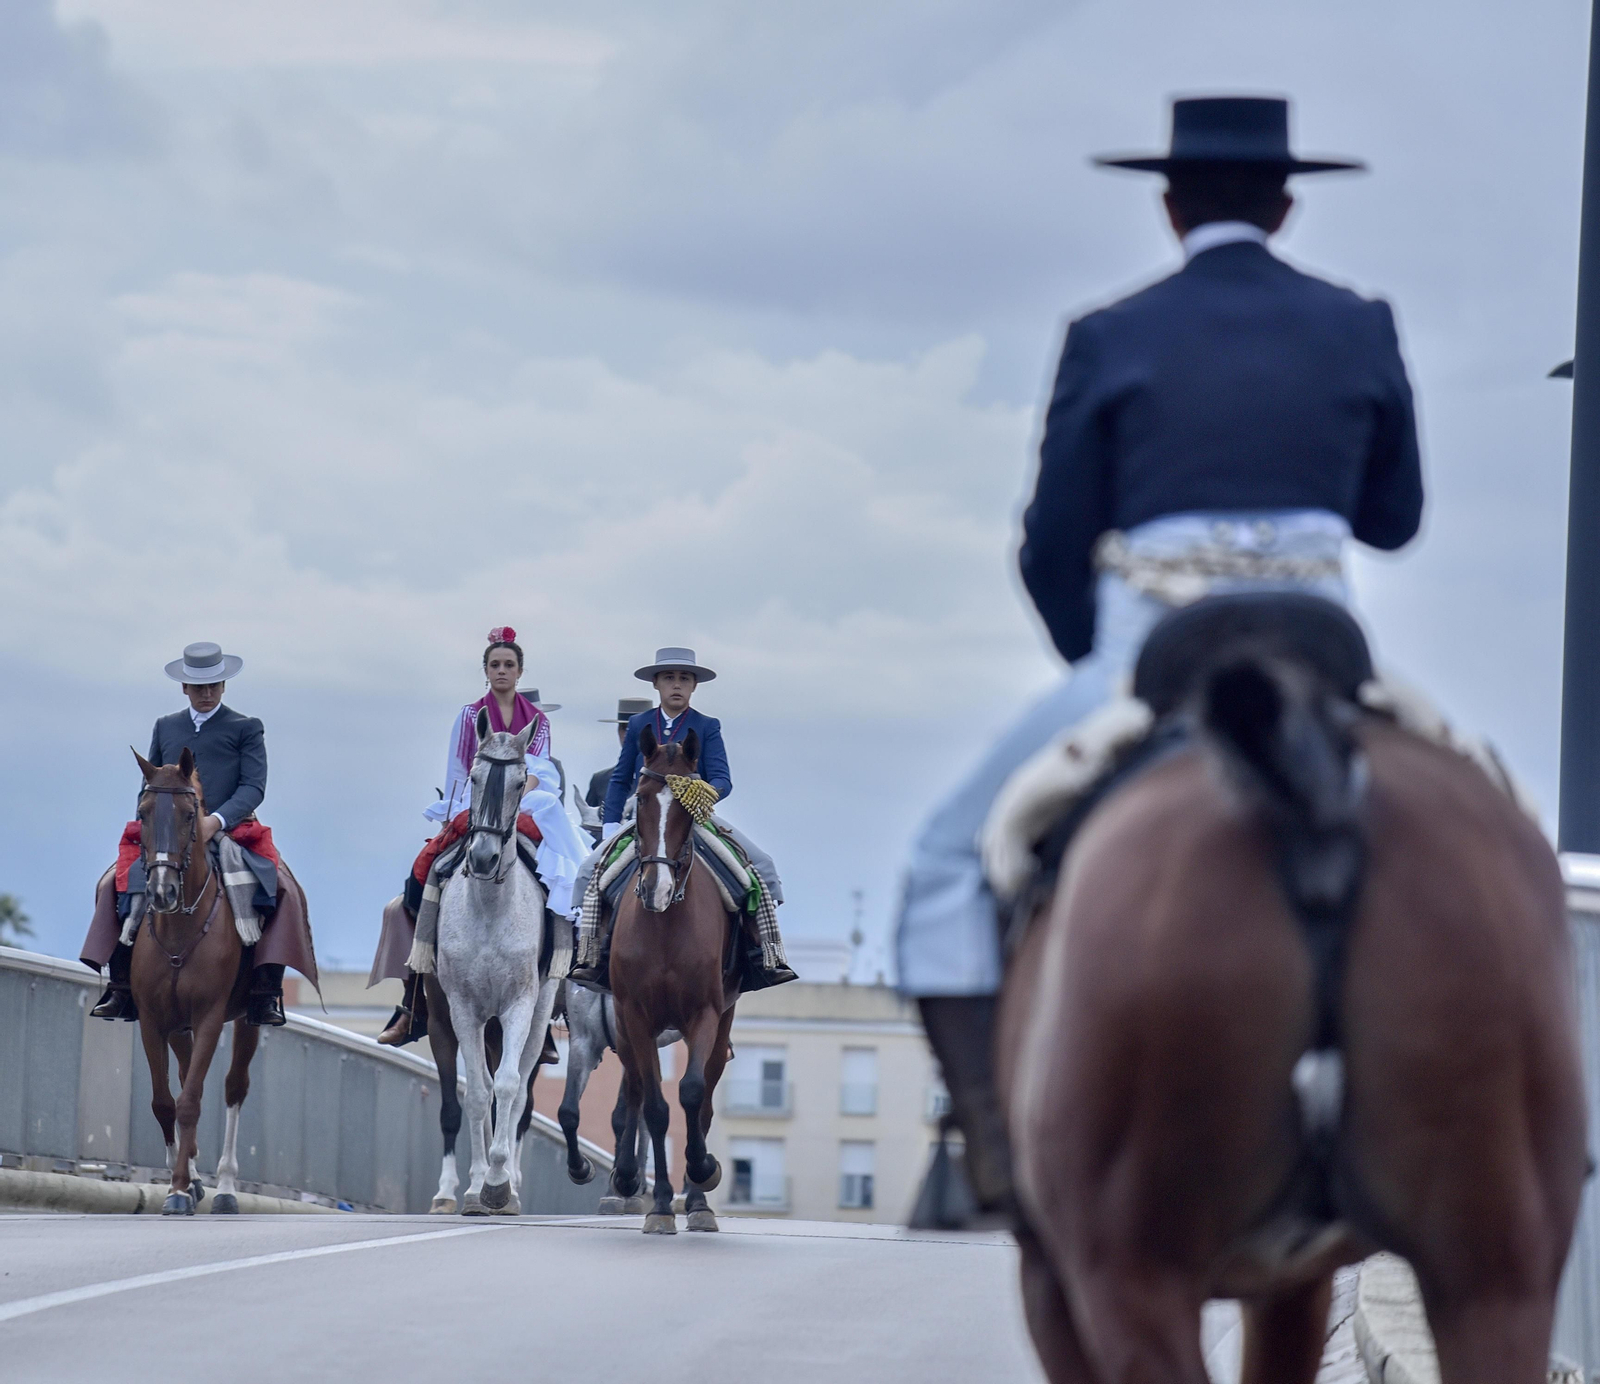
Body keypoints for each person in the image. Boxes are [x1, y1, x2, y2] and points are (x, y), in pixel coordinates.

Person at [895, 96, 1424, 1212]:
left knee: (943, 864)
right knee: (1487, 811)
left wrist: (1099, 675)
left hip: (1154, 648)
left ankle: (992, 1148)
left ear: (1169, 202)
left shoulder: (1110, 333)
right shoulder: (1358, 322)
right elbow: (1394, 516)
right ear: (1284, 204)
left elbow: (1049, 542)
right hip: (1327, 641)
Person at [82, 641, 319, 1027]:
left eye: (214, 685)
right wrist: (154, 828)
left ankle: (265, 992)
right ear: (184, 688)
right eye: (199, 687)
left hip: (231, 828)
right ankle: (121, 985)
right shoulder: (166, 726)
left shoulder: (246, 727)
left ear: (224, 686)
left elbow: (253, 786)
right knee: (112, 882)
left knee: (285, 890)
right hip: (171, 834)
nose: (207, 693)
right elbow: (152, 785)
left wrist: (217, 821)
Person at [373, 627, 590, 1046]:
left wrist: (519, 796)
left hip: (526, 807)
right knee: (424, 872)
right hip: (473, 808)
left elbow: (542, 772)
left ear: (520, 671)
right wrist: (454, 816)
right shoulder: (469, 716)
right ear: (485, 671)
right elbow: (458, 768)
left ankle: (550, 992)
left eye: (509, 665)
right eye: (495, 665)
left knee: (558, 880)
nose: (502, 671)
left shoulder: (538, 722)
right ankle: (414, 995)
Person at [567, 647, 797, 990]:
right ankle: (592, 954)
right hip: (646, 819)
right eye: (669, 678)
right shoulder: (639, 725)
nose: (677, 685)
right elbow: (619, 779)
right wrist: (611, 828)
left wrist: (700, 794)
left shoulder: (707, 726)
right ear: (657, 685)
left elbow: (722, 778)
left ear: (694, 687)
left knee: (760, 866)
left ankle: (764, 953)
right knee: (590, 870)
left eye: (684, 679)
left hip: (696, 818)